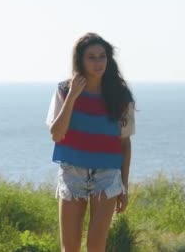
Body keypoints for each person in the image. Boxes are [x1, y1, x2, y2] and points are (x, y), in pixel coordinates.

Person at [45, 32, 135, 252]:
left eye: (102, 56)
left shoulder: (120, 95)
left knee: (96, 246)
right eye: (91, 57)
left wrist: (124, 185)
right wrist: (73, 96)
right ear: (80, 60)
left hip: (108, 175)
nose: (98, 63)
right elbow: (56, 134)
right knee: (70, 248)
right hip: (72, 172)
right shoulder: (64, 90)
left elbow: (124, 143)